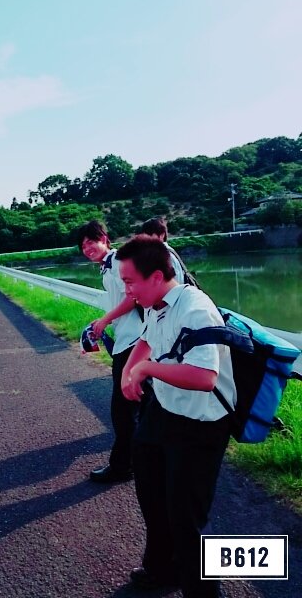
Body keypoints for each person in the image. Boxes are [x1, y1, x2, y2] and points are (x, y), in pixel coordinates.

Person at [117, 236, 236, 598]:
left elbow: (204, 377)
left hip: (201, 421)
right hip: (166, 407)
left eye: (130, 282)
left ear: (156, 276)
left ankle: (203, 592)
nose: (126, 290)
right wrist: (129, 371)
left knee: (186, 515)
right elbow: (146, 340)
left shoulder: (195, 308)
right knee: (151, 490)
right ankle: (162, 569)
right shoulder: (155, 303)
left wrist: (146, 370)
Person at [77, 220, 143, 483]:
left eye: (91, 242)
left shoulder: (117, 261)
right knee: (136, 406)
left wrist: (105, 320)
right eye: (83, 246)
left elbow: (132, 296)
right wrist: (103, 322)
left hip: (134, 342)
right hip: (129, 339)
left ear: (104, 239)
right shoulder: (108, 267)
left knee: (122, 410)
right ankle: (141, 460)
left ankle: (123, 467)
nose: (87, 249)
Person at [138, 216, 185, 283]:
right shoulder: (160, 253)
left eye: (150, 235)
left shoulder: (165, 255)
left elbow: (174, 283)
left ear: (162, 235)